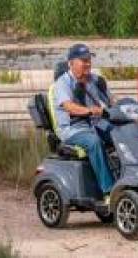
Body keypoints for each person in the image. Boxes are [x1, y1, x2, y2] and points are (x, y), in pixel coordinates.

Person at [52, 43, 115, 199]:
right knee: (94, 142)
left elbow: (112, 102)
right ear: (71, 63)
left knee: (124, 135)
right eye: (83, 60)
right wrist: (89, 110)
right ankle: (109, 190)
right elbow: (69, 106)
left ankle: (130, 179)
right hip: (73, 129)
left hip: (95, 125)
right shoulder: (63, 83)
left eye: (89, 60)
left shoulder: (96, 80)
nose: (87, 64)